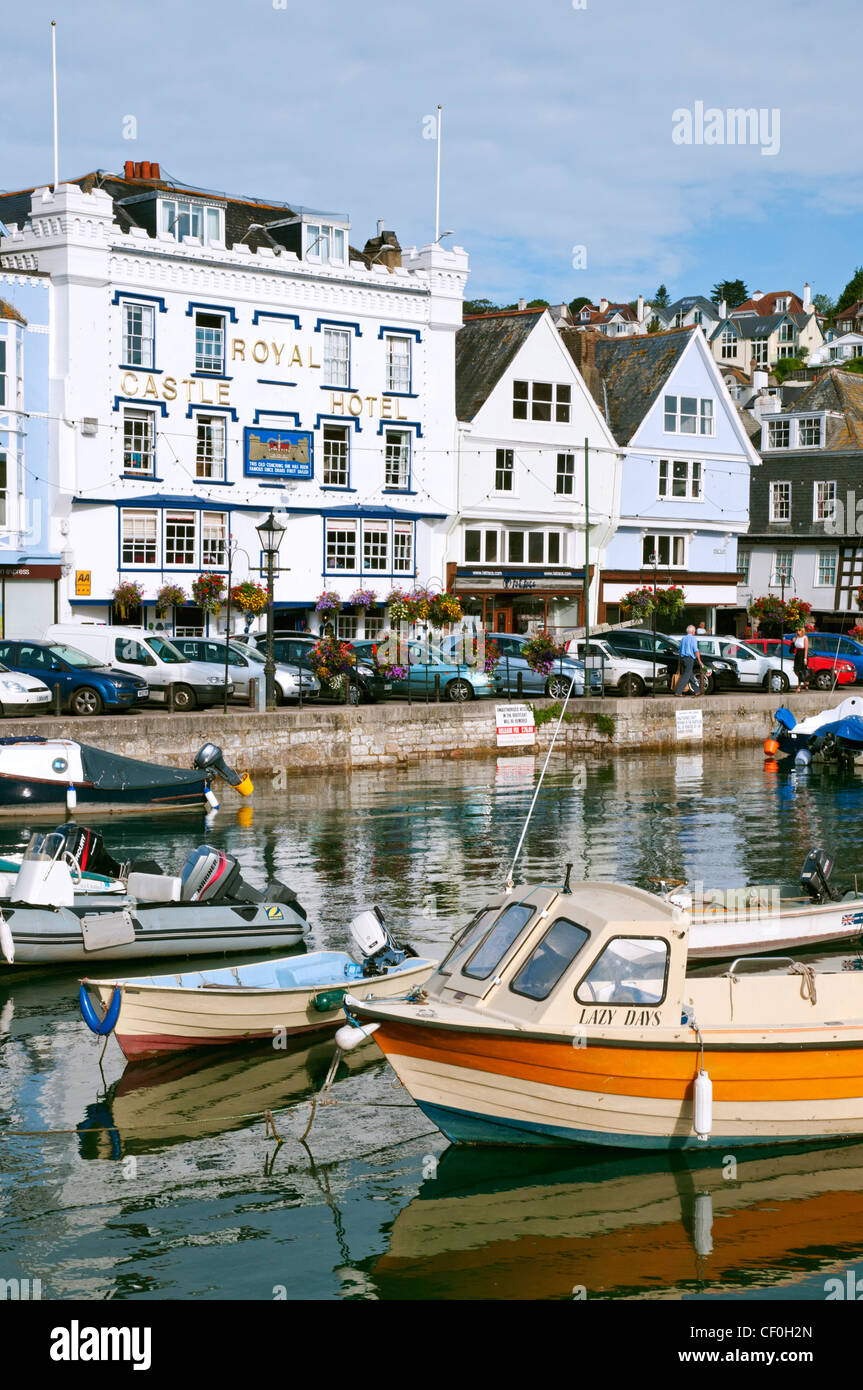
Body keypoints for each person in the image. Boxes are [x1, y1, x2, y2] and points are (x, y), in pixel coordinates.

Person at [677, 625, 703, 696]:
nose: (694, 632)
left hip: (683, 658)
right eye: (694, 631)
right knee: (686, 675)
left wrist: (679, 661)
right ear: (692, 631)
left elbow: (679, 651)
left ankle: (697, 691)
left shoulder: (683, 639)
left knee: (690, 675)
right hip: (689, 659)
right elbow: (696, 650)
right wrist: (699, 660)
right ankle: (678, 691)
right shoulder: (693, 639)